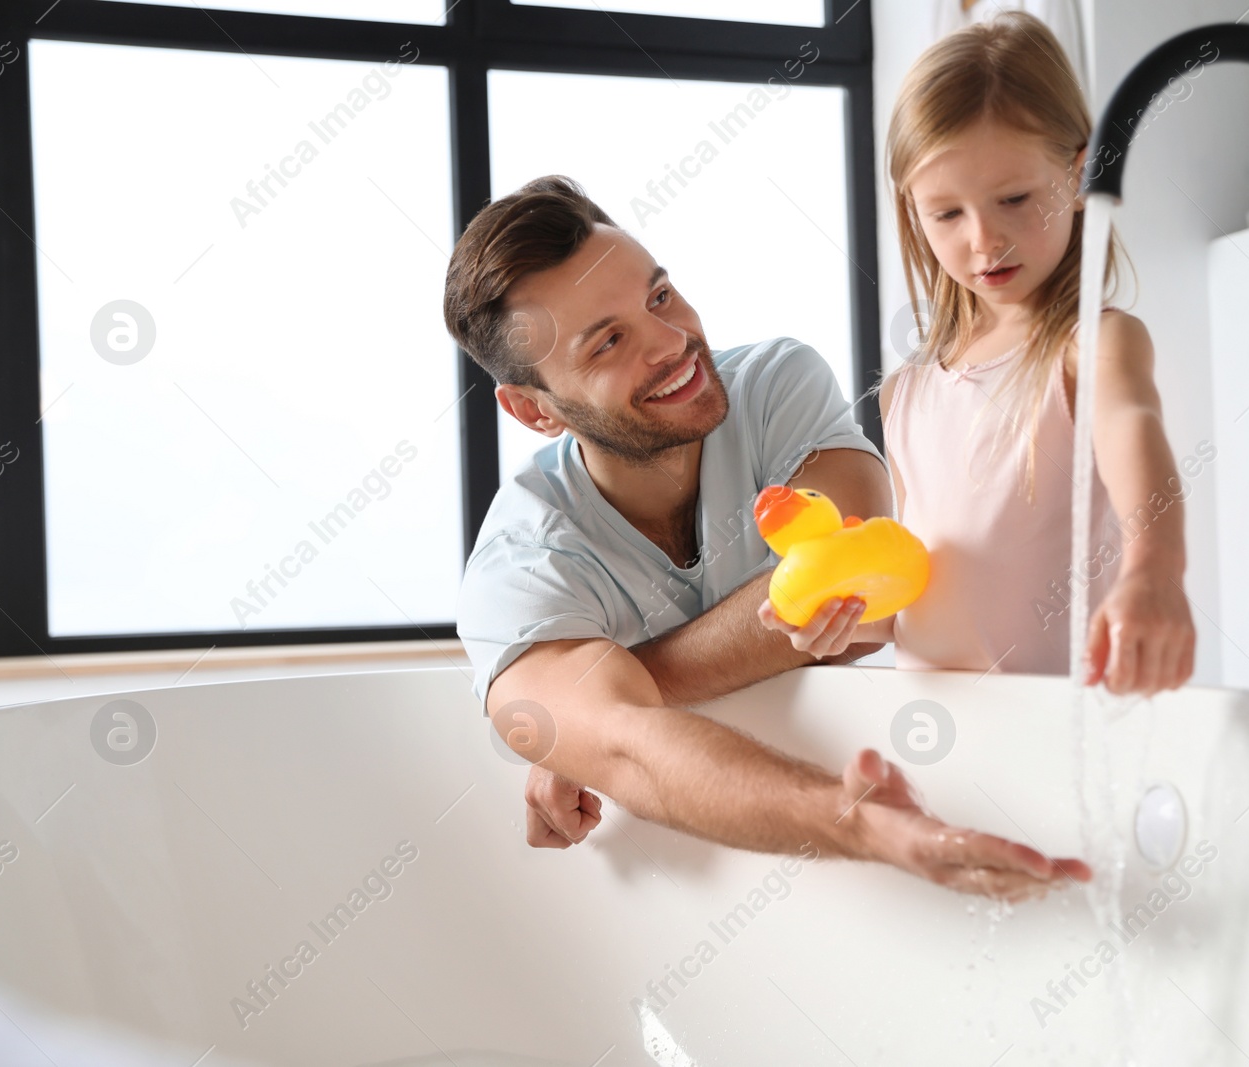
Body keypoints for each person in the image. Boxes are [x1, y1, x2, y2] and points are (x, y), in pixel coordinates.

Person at [446, 175, 1089, 900]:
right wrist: (864, 826)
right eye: (609, 342)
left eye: (659, 296)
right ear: (534, 410)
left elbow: (861, 596)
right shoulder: (521, 566)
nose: (672, 343)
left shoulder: (773, 386)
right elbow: (635, 752)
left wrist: (590, 724)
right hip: (702, 891)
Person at [761, 13, 1198, 694]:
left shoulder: (1092, 346)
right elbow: (916, 605)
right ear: (913, 211)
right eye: (947, 214)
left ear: (1083, 176)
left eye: (1015, 198)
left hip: (1060, 735)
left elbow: (1135, 439)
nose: (984, 239)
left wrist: (1155, 574)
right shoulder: (905, 392)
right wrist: (835, 616)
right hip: (941, 740)